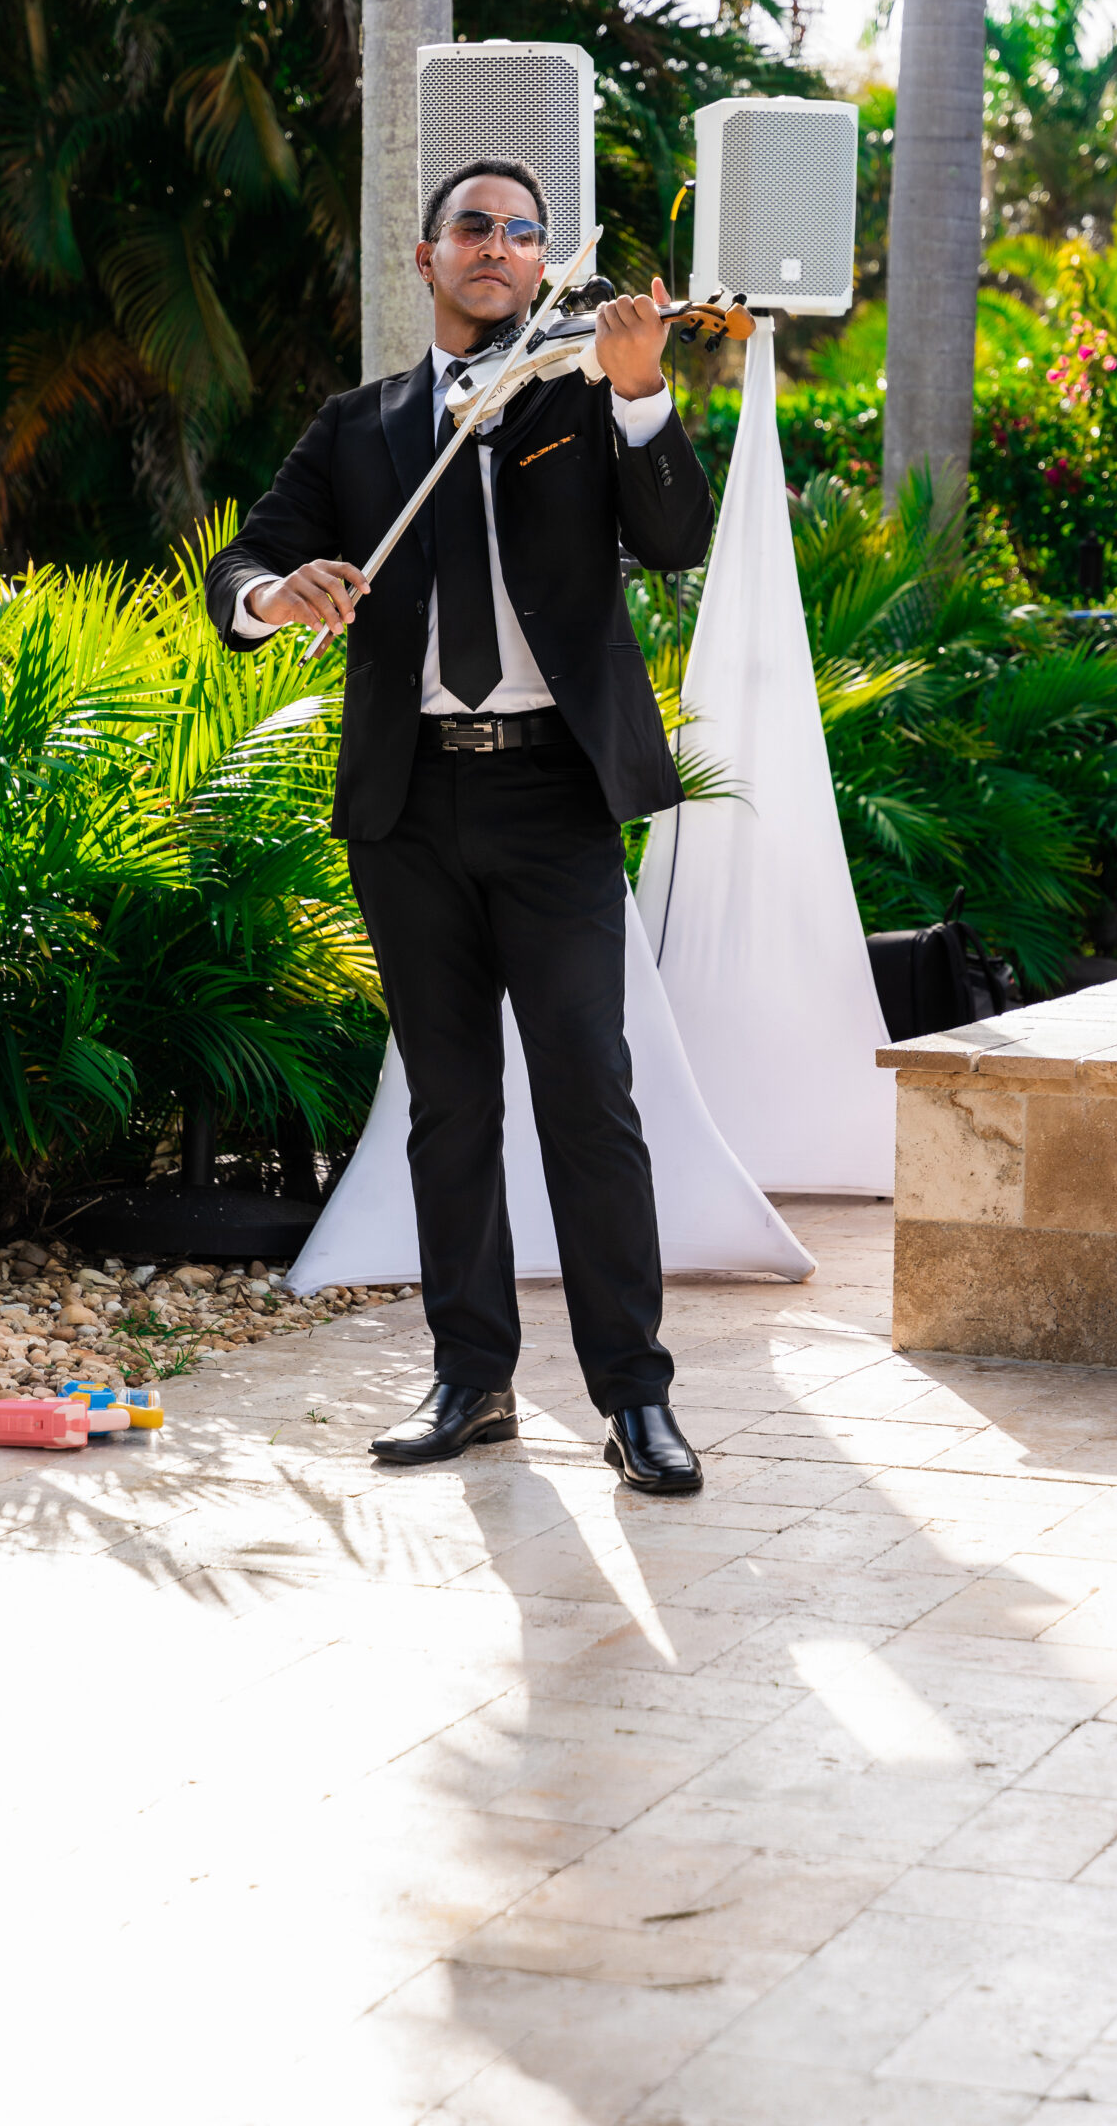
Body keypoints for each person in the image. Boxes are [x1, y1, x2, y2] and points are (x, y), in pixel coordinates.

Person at [205, 160, 715, 1492]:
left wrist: (644, 387)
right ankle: (472, 1377)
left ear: (546, 263)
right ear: (426, 256)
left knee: (588, 1097)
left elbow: (673, 539)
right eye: (474, 227)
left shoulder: (585, 395)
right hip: (409, 803)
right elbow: (240, 566)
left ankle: (634, 1395)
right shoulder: (361, 428)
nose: (497, 247)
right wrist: (279, 595)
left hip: (552, 792)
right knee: (448, 1104)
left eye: (523, 232)